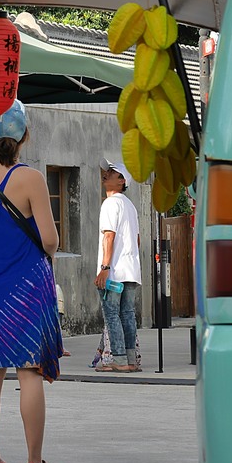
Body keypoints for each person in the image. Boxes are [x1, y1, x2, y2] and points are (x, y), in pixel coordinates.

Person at [0, 99, 63, 463]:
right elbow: (51, 240)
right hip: (26, 284)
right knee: (29, 371)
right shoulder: (31, 179)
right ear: (24, 136)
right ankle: (35, 462)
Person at [93, 160, 142, 373]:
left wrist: (104, 267)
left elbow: (109, 236)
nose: (106, 174)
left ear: (122, 181)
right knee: (127, 314)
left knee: (112, 314)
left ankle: (119, 360)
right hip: (131, 269)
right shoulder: (130, 206)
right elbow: (137, 240)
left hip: (114, 271)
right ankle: (131, 361)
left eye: (112, 172)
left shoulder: (110, 204)